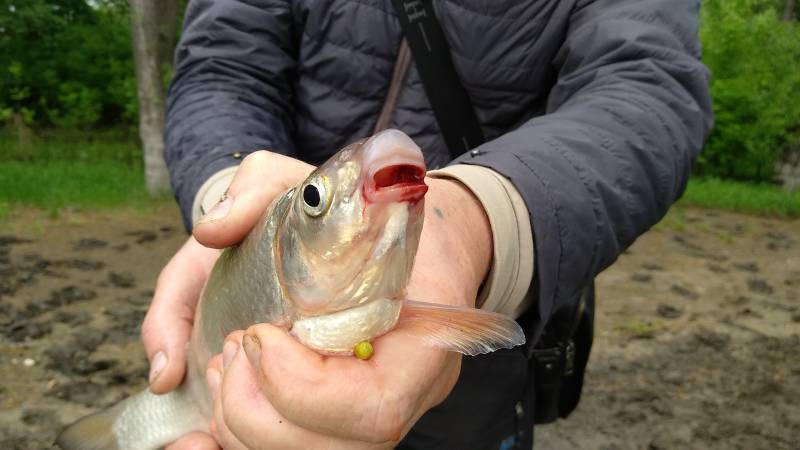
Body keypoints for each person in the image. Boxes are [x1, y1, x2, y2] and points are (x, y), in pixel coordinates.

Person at [142, 0, 713, 449]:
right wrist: (226, 196)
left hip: (489, 324)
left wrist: (477, 222)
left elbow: (647, 84)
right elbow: (224, 64)